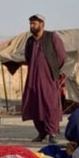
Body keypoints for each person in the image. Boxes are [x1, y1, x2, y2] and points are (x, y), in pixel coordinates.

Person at [21, 14, 67, 143]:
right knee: (35, 104)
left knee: (50, 104)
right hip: (33, 78)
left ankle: (52, 133)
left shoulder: (52, 37)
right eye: (30, 23)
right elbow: (27, 57)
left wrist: (51, 68)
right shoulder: (30, 41)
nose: (31, 26)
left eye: (34, 23)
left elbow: (61, 56)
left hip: (49, 78)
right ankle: (42, 133)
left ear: (42, 24)